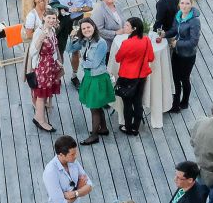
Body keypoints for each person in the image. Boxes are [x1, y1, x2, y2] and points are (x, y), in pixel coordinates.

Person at [65, 17, 113, 145]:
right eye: (83, 28)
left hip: (97, 77)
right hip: (90, 76)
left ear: (94, 27)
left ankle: (94, 135)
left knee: (94, 108)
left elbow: (95, 64)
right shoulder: (86, 40)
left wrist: (82, 64)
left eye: (88, 27)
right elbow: (70, 49)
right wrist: (72, 37)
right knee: (98, 104)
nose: (86, 30)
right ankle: (103, 128)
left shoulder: (101, 43)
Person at [49, 0, 94, 80]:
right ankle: (58, 76)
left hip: (76, 21)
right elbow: (52, 0)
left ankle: (74, 75)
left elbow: (90, 6)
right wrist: (59, 9)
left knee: (76, 49)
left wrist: (79, 9)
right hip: (62, 20)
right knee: (60, 49)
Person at [114, 17, 155, 135]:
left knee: (127, 104)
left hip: (127, 77)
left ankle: (127, 127)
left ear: (134, 29)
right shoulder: (146, 40)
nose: (124, 27)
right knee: (138, 102)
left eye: (127, 25)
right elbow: (151, 58)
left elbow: (117, 58)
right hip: (141, 76)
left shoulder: (126, 43)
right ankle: (135, 128)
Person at [162, 0, 200, 113]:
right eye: (182, 3)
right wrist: (165, 34)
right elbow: (174, 30)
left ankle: (183, 103)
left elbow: (194, 42)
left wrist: (177, 43)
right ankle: (176, 104)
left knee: (184, 79)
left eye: (187, 3)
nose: (184, 6)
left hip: (187, 56)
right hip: (177, 53)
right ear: (179, 4)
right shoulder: (178, 15)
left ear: (191, 5)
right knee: (175, 79)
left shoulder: (194, 21)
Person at [26, 14, 63, 133]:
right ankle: (40, 121)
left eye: (54, 18)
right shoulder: (39, 31)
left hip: (51, 66)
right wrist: (40, 39)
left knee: (46, 93)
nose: (51, 20)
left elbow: (54, 49)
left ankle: (38, 116)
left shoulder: (52, 30)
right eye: (49, 18)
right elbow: (32, 52)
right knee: (41, 94)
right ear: (44, 18)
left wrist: (57, 61)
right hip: (42, 67)